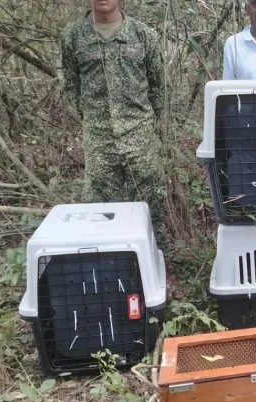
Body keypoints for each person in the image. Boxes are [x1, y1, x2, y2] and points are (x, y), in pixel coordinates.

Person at [60, 0, 167, 241]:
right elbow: (71, 85)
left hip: (139, 135)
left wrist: (145, 122)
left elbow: (158, 87)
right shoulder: (73, 37)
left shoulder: (143, 35)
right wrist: (91, 119)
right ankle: (107, 263)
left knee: (151, 205)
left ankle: (158, 259)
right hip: (99, 139)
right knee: (100, 211)